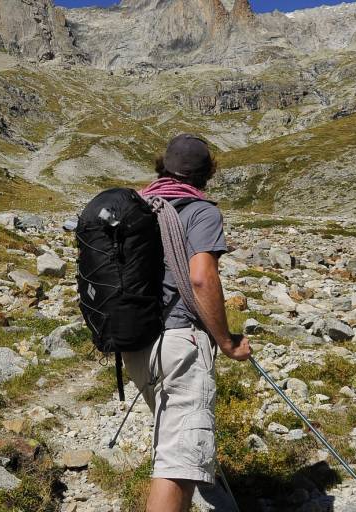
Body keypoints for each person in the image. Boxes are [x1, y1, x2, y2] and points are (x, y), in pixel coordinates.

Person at [124, 134, 253, 512]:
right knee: (177, 464)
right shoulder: (200, 211)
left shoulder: (140, 204)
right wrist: (227, 343)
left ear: (162, 165)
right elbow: (201, 278)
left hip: (135, 345)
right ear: (206, 174)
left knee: (175, 442)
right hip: (180, 344)